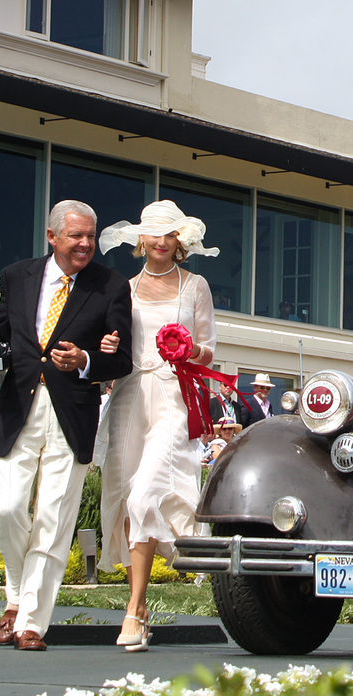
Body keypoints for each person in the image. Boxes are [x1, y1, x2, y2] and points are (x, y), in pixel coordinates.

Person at [0, 199, 132, 653]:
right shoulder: (17, 275)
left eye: (90, 236)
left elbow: (122, 358)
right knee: (5, 510)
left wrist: (85, 360)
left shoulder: (112, 286)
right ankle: (18, 596)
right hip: (18, 407)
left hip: (73, 411)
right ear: (52, 237)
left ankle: (30, 624)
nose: (85, 244)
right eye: (76, 236)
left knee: (53, 518)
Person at [94, 199, 219, 652]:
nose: (161, 242)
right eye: (154, 234)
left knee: (148, 489)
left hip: (173, 396)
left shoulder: (196, 286)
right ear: (140, 239)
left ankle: (133, 609)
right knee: (127, 494)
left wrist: (187, 351)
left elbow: (209, 350)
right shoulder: (121, 288)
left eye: (169, 234)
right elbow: (110, 348)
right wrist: (107, 344)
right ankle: (138, 602)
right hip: (129, 394)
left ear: (179, 240)